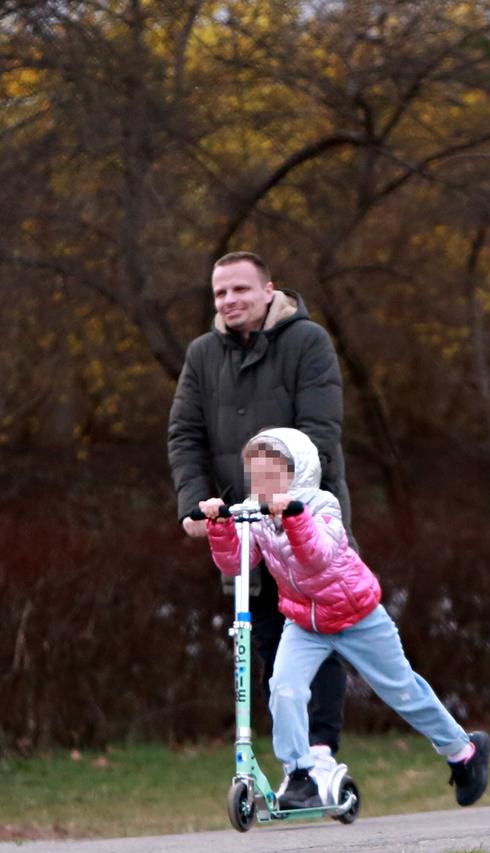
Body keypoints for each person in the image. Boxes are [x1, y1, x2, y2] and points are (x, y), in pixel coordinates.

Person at [198, 427, 490, 811]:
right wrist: (219, 525)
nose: (263, 484)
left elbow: (316, 556)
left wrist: (293, 516)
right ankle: (300, 775)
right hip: (305, 623)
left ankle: (462, 751)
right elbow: (238, 562)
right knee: (284, 689)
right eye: (256, 476)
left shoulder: (323, 506)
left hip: (357, 616)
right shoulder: (255, 514)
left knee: (400, 688)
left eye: (273, 475)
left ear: (296, 472)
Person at [168, 250, 351, 758]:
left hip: (305, 519)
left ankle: (322, 756)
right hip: (244, 527)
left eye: (240, 289)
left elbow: (320, 431)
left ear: (269, 290)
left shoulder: (307, 343)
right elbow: (185, 435)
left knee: (320, 635)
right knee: (266, 643)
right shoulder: (203, 355)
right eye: (220, 292)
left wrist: (282, 499)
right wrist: (193, 503)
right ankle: (293, 764)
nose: (230, 300)